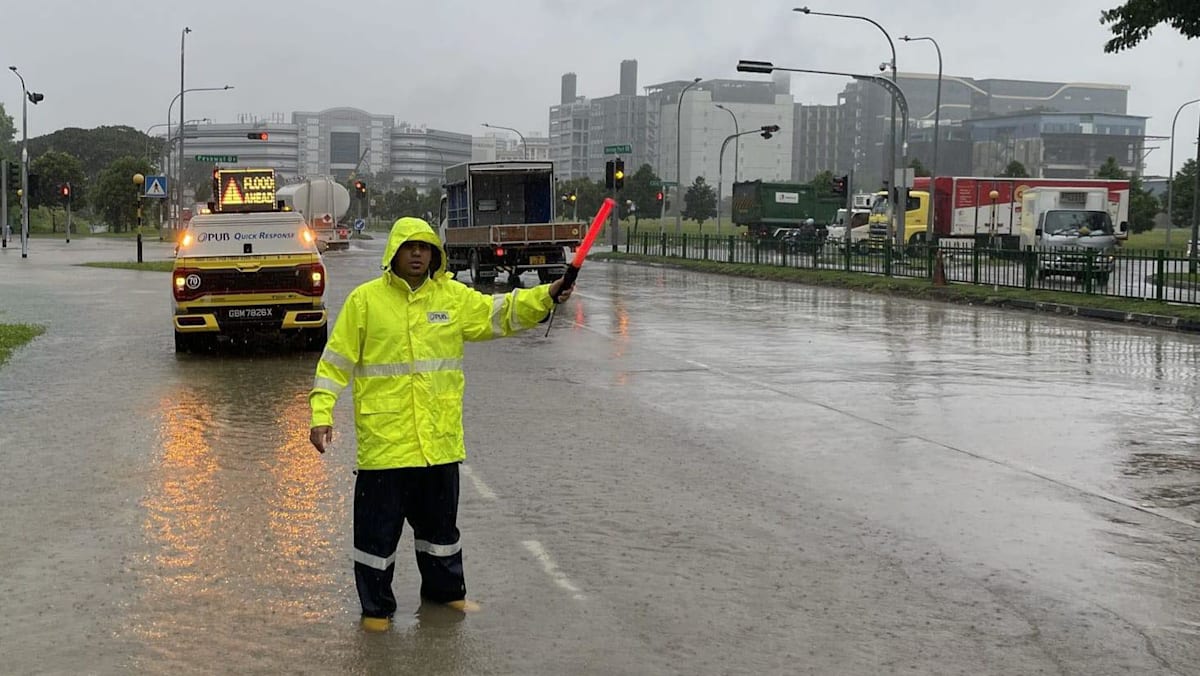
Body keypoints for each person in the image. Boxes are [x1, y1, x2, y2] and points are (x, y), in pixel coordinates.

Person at [308, 217, 574, 632]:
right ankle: (376, 610)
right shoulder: (365, 302)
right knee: (376, 539)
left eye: (425, 247)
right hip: (385, 447)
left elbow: (500, 312)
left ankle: (446, 594)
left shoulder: (452, 298)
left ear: (435, 254)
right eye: (409, 246)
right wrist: (321, 414)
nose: (417, 253)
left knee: (440, 534)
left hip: (439, 445)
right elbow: (335, 363)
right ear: (394, 252)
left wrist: (547, 294)